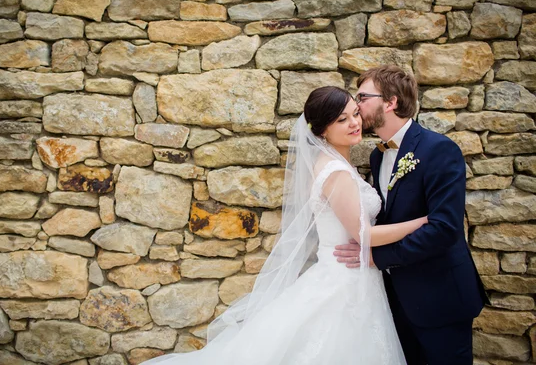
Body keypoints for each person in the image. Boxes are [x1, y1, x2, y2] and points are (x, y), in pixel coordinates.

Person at [142, 86, 430, 365]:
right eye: (342, 120)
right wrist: (421, 222)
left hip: (352, 275)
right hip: (345, 281)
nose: (354, 123)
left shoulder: (333, 163)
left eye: (355, 113)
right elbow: (364, 234)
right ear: (321, 131)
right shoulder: (336, 172)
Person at [334, 65, 488, 365]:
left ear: (390, 102)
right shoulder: (379, 155)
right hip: (397, 300)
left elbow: (444, 229)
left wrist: (379, 257)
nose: (356, 105)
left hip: (440, 298)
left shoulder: (439, 150)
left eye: (363, 97)